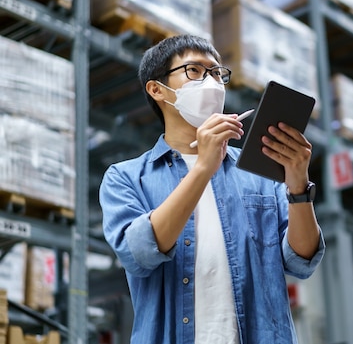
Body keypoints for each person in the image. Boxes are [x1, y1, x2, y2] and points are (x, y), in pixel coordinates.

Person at [99, 34, 325, 344]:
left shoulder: (258, 175)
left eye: (217, 73)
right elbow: (139, 253)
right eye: (195, 70)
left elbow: (301, 260)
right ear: (157, 89)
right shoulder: (126, 178)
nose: (212, 82)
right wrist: (204, 166)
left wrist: (298, 184)